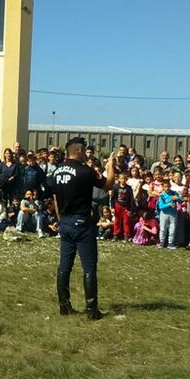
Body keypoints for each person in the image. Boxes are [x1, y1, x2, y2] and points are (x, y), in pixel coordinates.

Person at [49, 137, 116, 320]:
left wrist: (60, 219)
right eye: (84, 149)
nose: (86, 152)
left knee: (64, 266)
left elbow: (55, 198)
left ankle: (64, 306)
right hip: (82, 222)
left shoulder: (56, 172)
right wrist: (111, 165)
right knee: (89, 266)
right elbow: (108, 185)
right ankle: (92, 309)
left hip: (66, 222)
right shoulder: (85, 171)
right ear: (78, 150)